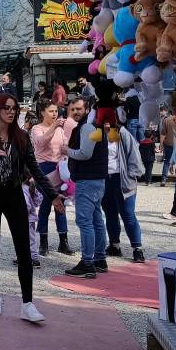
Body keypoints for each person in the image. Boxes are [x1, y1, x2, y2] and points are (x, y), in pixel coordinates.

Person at [0, 93, 63, 323]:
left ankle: (27, 303)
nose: (12, 112)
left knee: (23, 250)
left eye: (14, 108)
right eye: (7, 108)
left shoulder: (21, 137)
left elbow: (34, 169)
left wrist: (53, 196)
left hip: (14, 195)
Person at [65, 108, 110, 278]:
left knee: (85, 221)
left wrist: (66, 150)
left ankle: (87, 262)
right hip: (98, 178)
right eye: (73, 108)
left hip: (88, 179)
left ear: (88, 110)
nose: (75, 111)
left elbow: (84, 153)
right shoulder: (97, 126)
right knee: (97, 219)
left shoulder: (87, 127)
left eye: (79, 109)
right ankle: (99, 259)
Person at [29, 99, 72, 256]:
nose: (55, 114)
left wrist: (72, 151)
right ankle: (43, 242)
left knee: (61, 204)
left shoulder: (61, 130)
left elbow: (64, 145)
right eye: (51, 111)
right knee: (46, 204)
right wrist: (54, 126)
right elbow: (40, 144)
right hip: (44, 168)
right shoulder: (36, 128)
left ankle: (63, 241)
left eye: (56, 111)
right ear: (42, 112)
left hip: (59, 167)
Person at [100, 121, 147, 263]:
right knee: (110, 212)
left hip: (122, 177)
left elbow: (134, 155)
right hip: (104, 178)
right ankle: (114, 245)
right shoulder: (98, 133)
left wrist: (132, 175)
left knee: (127, 213)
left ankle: (137, 248)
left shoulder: (122, 133)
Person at [159, 108, 176, 188]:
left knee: (166, 162)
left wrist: (161, 144)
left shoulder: (166, 120)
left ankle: (163, 180)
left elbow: (163, 133)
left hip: (168, 143)